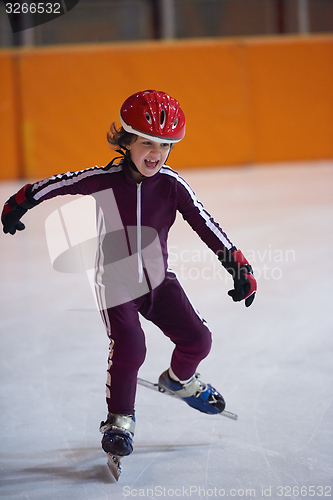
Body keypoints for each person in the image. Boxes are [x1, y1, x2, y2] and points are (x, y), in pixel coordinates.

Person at [1, 90, 257, 459]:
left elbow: (206, 224)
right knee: (131, 346)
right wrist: (20, 202)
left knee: (199, 339)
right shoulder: (104, 178)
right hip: (116, 284)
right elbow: (60, 183)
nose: (156, 153)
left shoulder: (171, 185)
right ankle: (120, 420)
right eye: (147, 142)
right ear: (126, 140)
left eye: (165, 145)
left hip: (158, 280)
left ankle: (180, 381)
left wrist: (238, 265)